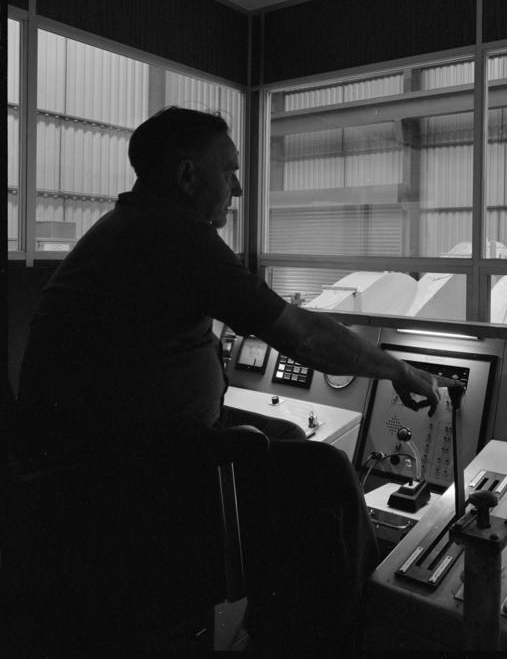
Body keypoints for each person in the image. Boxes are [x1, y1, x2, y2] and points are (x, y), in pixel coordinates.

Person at [10, 106, 449, 653]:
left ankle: (271, 619)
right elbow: (305, 339)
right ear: (188, 176)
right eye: (229, 171)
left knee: (287, 439)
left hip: (110, 458)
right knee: (329, 477)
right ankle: (337, 638)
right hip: (132, 477)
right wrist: (400, 369)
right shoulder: (174, 236)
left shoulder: (127, 227)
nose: (238, 188)